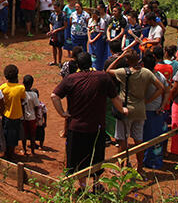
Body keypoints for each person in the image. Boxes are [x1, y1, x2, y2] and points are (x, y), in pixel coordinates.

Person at [51, 52, 127, 193]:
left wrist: (62, 113)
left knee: (78, 158)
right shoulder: (102, 77)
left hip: (77, 127)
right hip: (97, 126)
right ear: (91, 63)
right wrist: (122, 110)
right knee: (97, 157)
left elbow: (54, 95)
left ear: (77, 65)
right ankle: (97, 184)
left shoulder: (71, 79)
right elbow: (115, 97)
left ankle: (83, 186)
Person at [107, 50, 165, 175]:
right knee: (139, 140)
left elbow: (108, 70)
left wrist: (120, 56)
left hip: (125, 109)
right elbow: (161, 88)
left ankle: (119, 167)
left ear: (127, 61)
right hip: (140, 109)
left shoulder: (124, 72)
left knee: (122, 140)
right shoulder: (146, 72)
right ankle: (140, 168)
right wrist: (147, 100)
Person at [141, 53, 170, 169]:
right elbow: (168, 91)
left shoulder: (144, 77)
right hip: (157, 111)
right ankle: (155, 161)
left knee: (146, 139)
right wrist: (163, 105)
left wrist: (146, 101)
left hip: (148, 111)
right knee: (156, 137)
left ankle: (148, 162)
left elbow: (164, 90)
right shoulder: (160, 76)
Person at [0, 64, 26, 160]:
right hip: (17, 116)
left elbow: (0, 100)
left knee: (6, 134)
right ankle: (11, 154)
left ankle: (6, 153)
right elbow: (23, 100)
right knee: (14, 137)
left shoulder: (2, 88)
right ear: (17, 75)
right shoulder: (21, 88)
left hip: (6, 115)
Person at [22, 75, 40, 156]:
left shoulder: (21, 93)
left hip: (23, 117)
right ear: (32, 84)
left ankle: (24, 150)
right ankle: (32, 151)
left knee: (24, 135)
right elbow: (36, 107)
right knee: (33, 135)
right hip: (32, 117)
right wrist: (36, 117)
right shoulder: (34, 95)